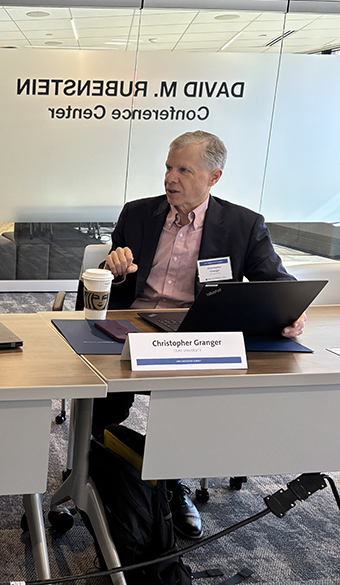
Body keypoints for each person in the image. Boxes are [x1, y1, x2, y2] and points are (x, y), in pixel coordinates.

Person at [96, 130, 305, 540]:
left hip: (198, 330)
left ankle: (171, 483)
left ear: (214, 177)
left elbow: (275, 283)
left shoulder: (244, 226)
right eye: (168, 168)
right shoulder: (137, 214)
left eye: (183, 170)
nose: (170, 178)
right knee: (98, 396)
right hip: (134, 324)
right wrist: (111, 266)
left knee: (192, 401)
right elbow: (104, 281)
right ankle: (99, 471)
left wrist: (289, 313)